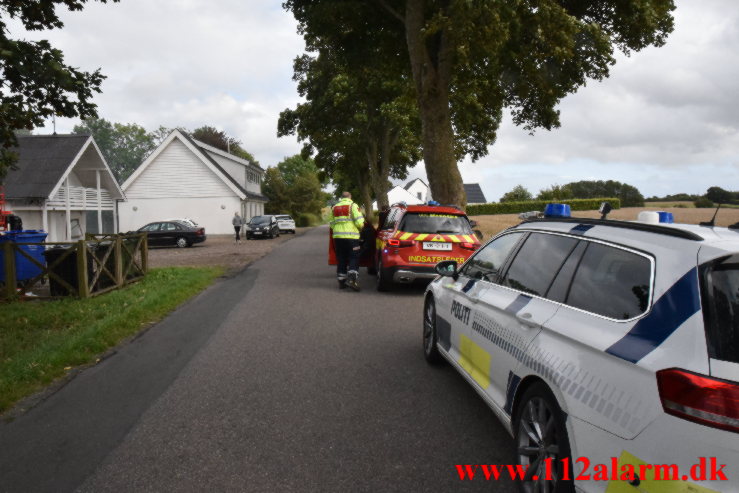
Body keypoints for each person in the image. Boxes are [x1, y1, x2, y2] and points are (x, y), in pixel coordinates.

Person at [328, 191, 365, 290]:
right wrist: (361, 229)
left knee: (341, 258)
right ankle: (352, 280)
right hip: (351, 238)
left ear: (341, 197)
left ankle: (341, 281)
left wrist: (338, 230)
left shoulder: (334, 207)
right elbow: (360, 222)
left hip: (338, 238)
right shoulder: (353, 205)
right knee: (354, 257)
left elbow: (331, 223)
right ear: (350, 196)